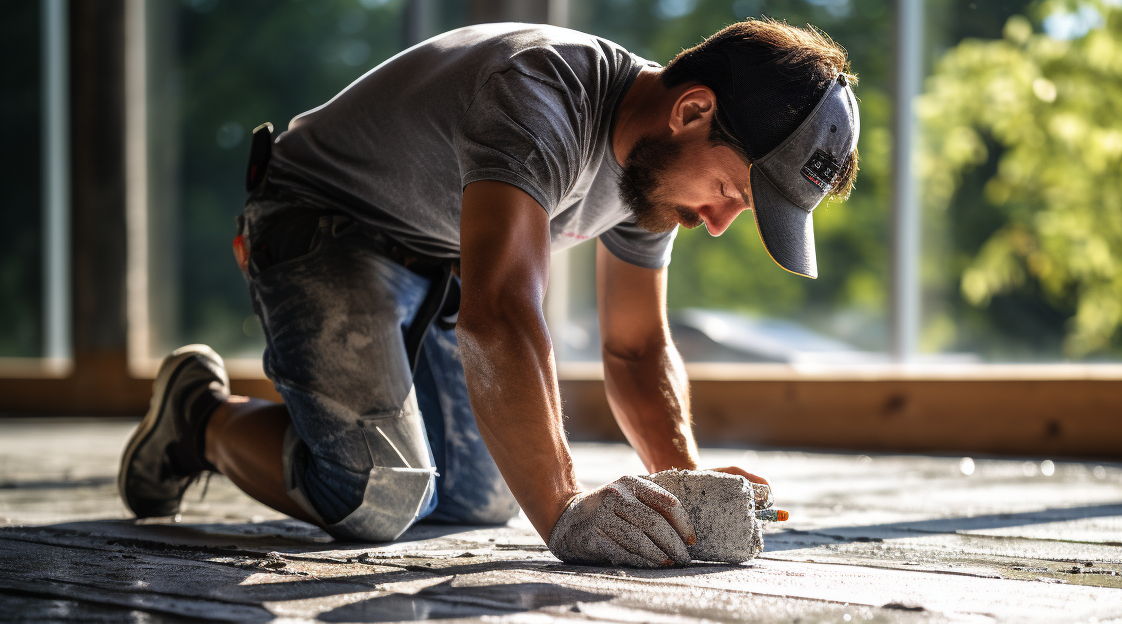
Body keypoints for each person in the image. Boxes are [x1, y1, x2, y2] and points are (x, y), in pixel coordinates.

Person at [118, 18, 860, 568]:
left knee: (480, 496)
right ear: (692, 111)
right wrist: (566, 509)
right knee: (378, 493)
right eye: (733, 191)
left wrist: (685, 482)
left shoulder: (657, 178)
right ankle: (198, 416)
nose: (723, 222)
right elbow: (501, 309)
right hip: (323, 224)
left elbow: (635, 348)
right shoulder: (542, 93)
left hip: (437, 256)